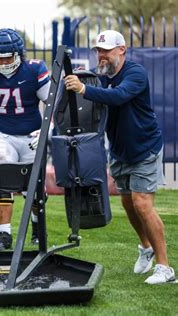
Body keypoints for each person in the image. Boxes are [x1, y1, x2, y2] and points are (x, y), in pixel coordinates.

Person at [64, 30, 175, 284]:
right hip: (119, 150)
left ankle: (165, 268)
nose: (101, 56)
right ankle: (145, 248)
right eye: (98, 51)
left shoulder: (135, 73)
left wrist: (83, 88)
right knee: (128, 204)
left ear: (122, 50)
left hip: (144, 147)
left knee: (142, 203)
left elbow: (119, 97)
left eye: (107, 51)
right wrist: (78, 82)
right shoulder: (99, 76)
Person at [0, 28, 51, 250]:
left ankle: (37, 227)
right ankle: (4, 235)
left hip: (31, 133)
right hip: (1, 132)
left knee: (34, 188)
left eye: (9, 57)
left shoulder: (35, 69)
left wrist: (45, 131)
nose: (5, 62)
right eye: (0, 58)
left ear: (19, 54)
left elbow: (51, 103)